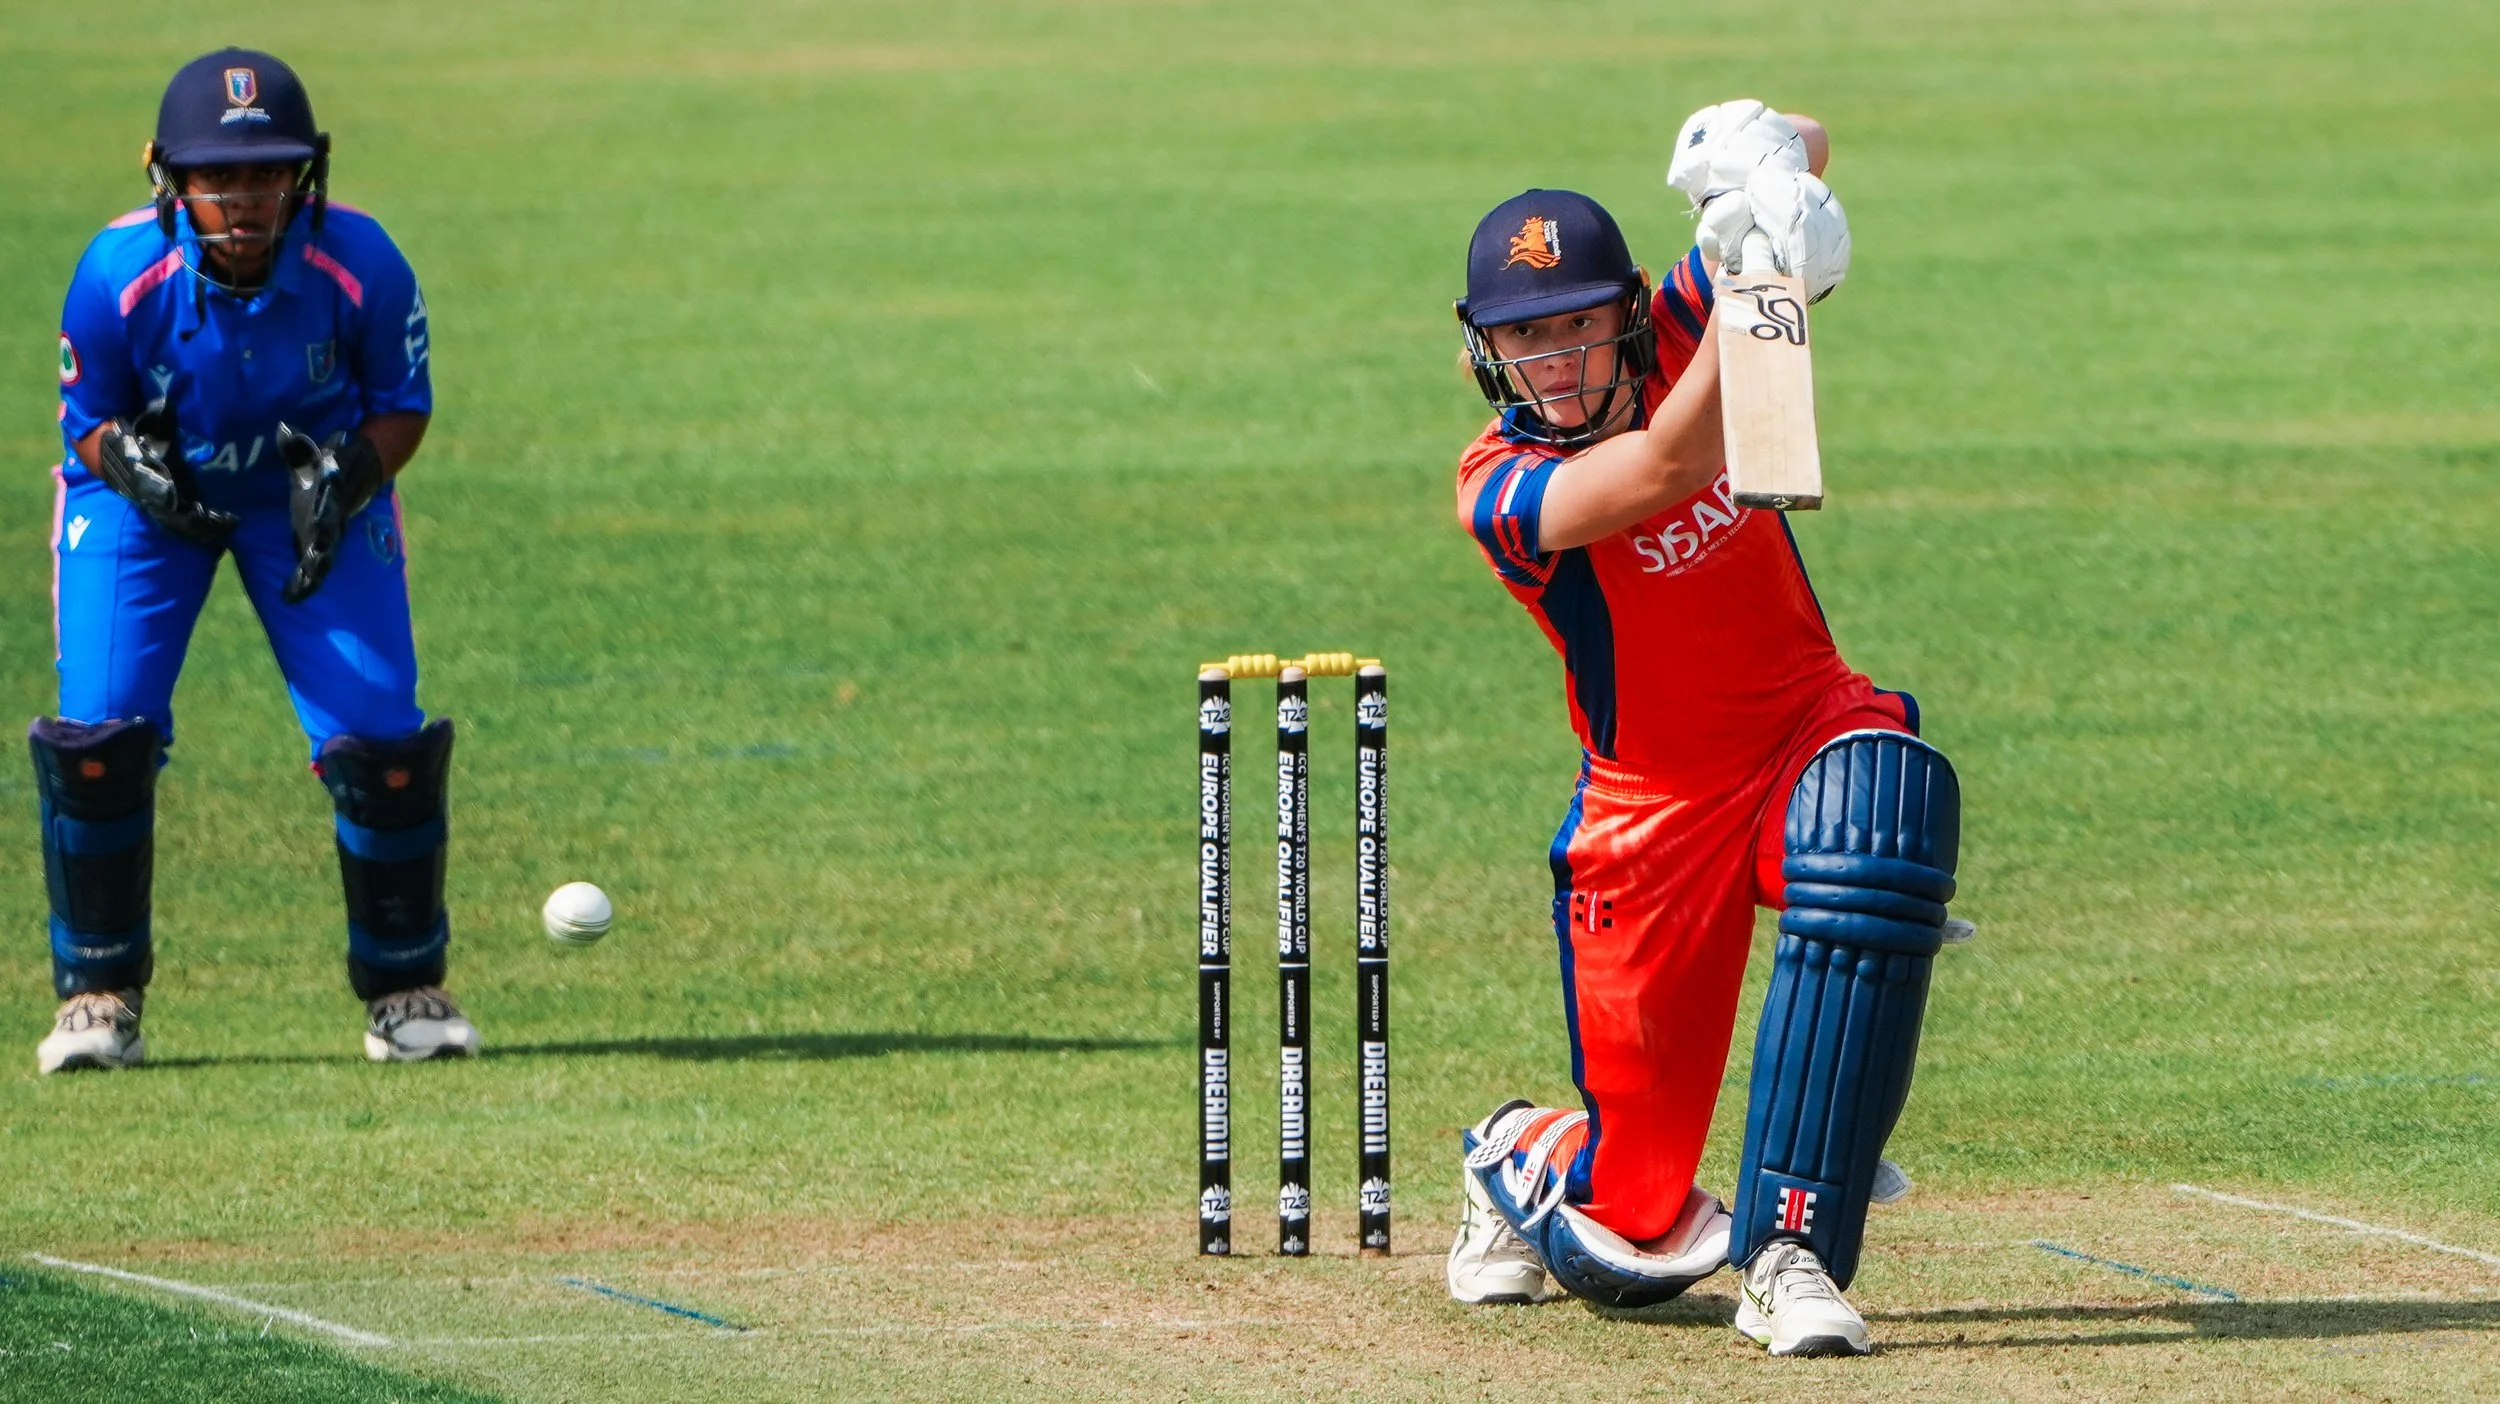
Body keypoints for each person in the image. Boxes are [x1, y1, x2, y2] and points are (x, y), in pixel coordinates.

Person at [1440, 102, 1964, 1356]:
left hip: (1802, 727)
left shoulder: (1675, 325)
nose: (1557, 361)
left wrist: (1761, 166)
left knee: (1877, 822)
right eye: (1526, 340)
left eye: (1575, 324)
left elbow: (1817, 141)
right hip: (1650, 819)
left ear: (1624, 312)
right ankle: (1522, 1156)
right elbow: (1670, 470)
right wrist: (1762, 279)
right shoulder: (1500, 493)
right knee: (1631, 1235)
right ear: (1486, 356)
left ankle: (1795, 1253)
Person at [36, 48, 474, 1072]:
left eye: (268, 173)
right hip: (141, 504)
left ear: (304, 176)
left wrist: (349, 476)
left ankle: (405, 986)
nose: (245, 198)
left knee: (381, 739)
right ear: (169, 180)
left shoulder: (363, 264)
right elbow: (87, 418)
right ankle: (97, 998)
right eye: (218, 176)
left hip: (308, 489)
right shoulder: (115, 273)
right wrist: (138, 475)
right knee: (99, 733)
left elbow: (403, 406)